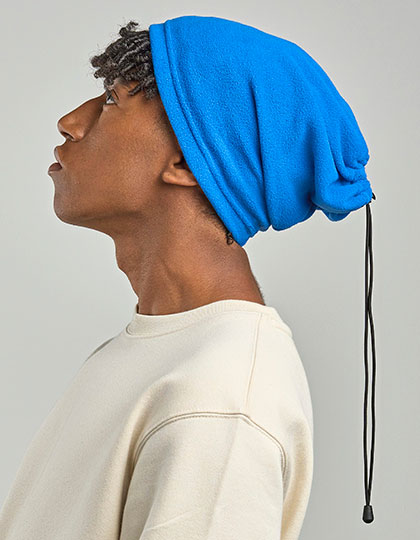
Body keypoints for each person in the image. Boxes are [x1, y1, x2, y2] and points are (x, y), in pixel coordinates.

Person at [0, 15, 375, 540]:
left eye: (111, 101)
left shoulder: (220, 400)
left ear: (186, 160)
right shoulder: (162, 353)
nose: (71, 122)